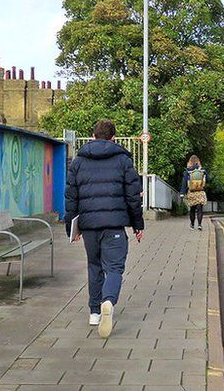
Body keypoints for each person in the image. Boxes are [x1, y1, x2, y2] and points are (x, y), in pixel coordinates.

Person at [65, 118, 144, 338]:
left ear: (93, 137)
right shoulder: (123, 160)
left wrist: (71, 227)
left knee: (94, 265)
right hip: (115, 224)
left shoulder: (79, 161)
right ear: (113, 138)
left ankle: (93, 312)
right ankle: (108, 301)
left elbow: (71, 196)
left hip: (89, 225)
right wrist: (138, 224)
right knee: (114, 268)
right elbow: (133, 195)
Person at [180, 155, 208, 231]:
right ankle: (199, 225)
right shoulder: (202, 170)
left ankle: (192, 225)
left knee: (192, 209)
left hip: (191, 192)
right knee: (200, 209)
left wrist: (182, 193)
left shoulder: (188, 171)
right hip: (200, 192)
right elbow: (208, 180)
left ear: (190, 162)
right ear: (198, 161)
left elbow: (184, 182)